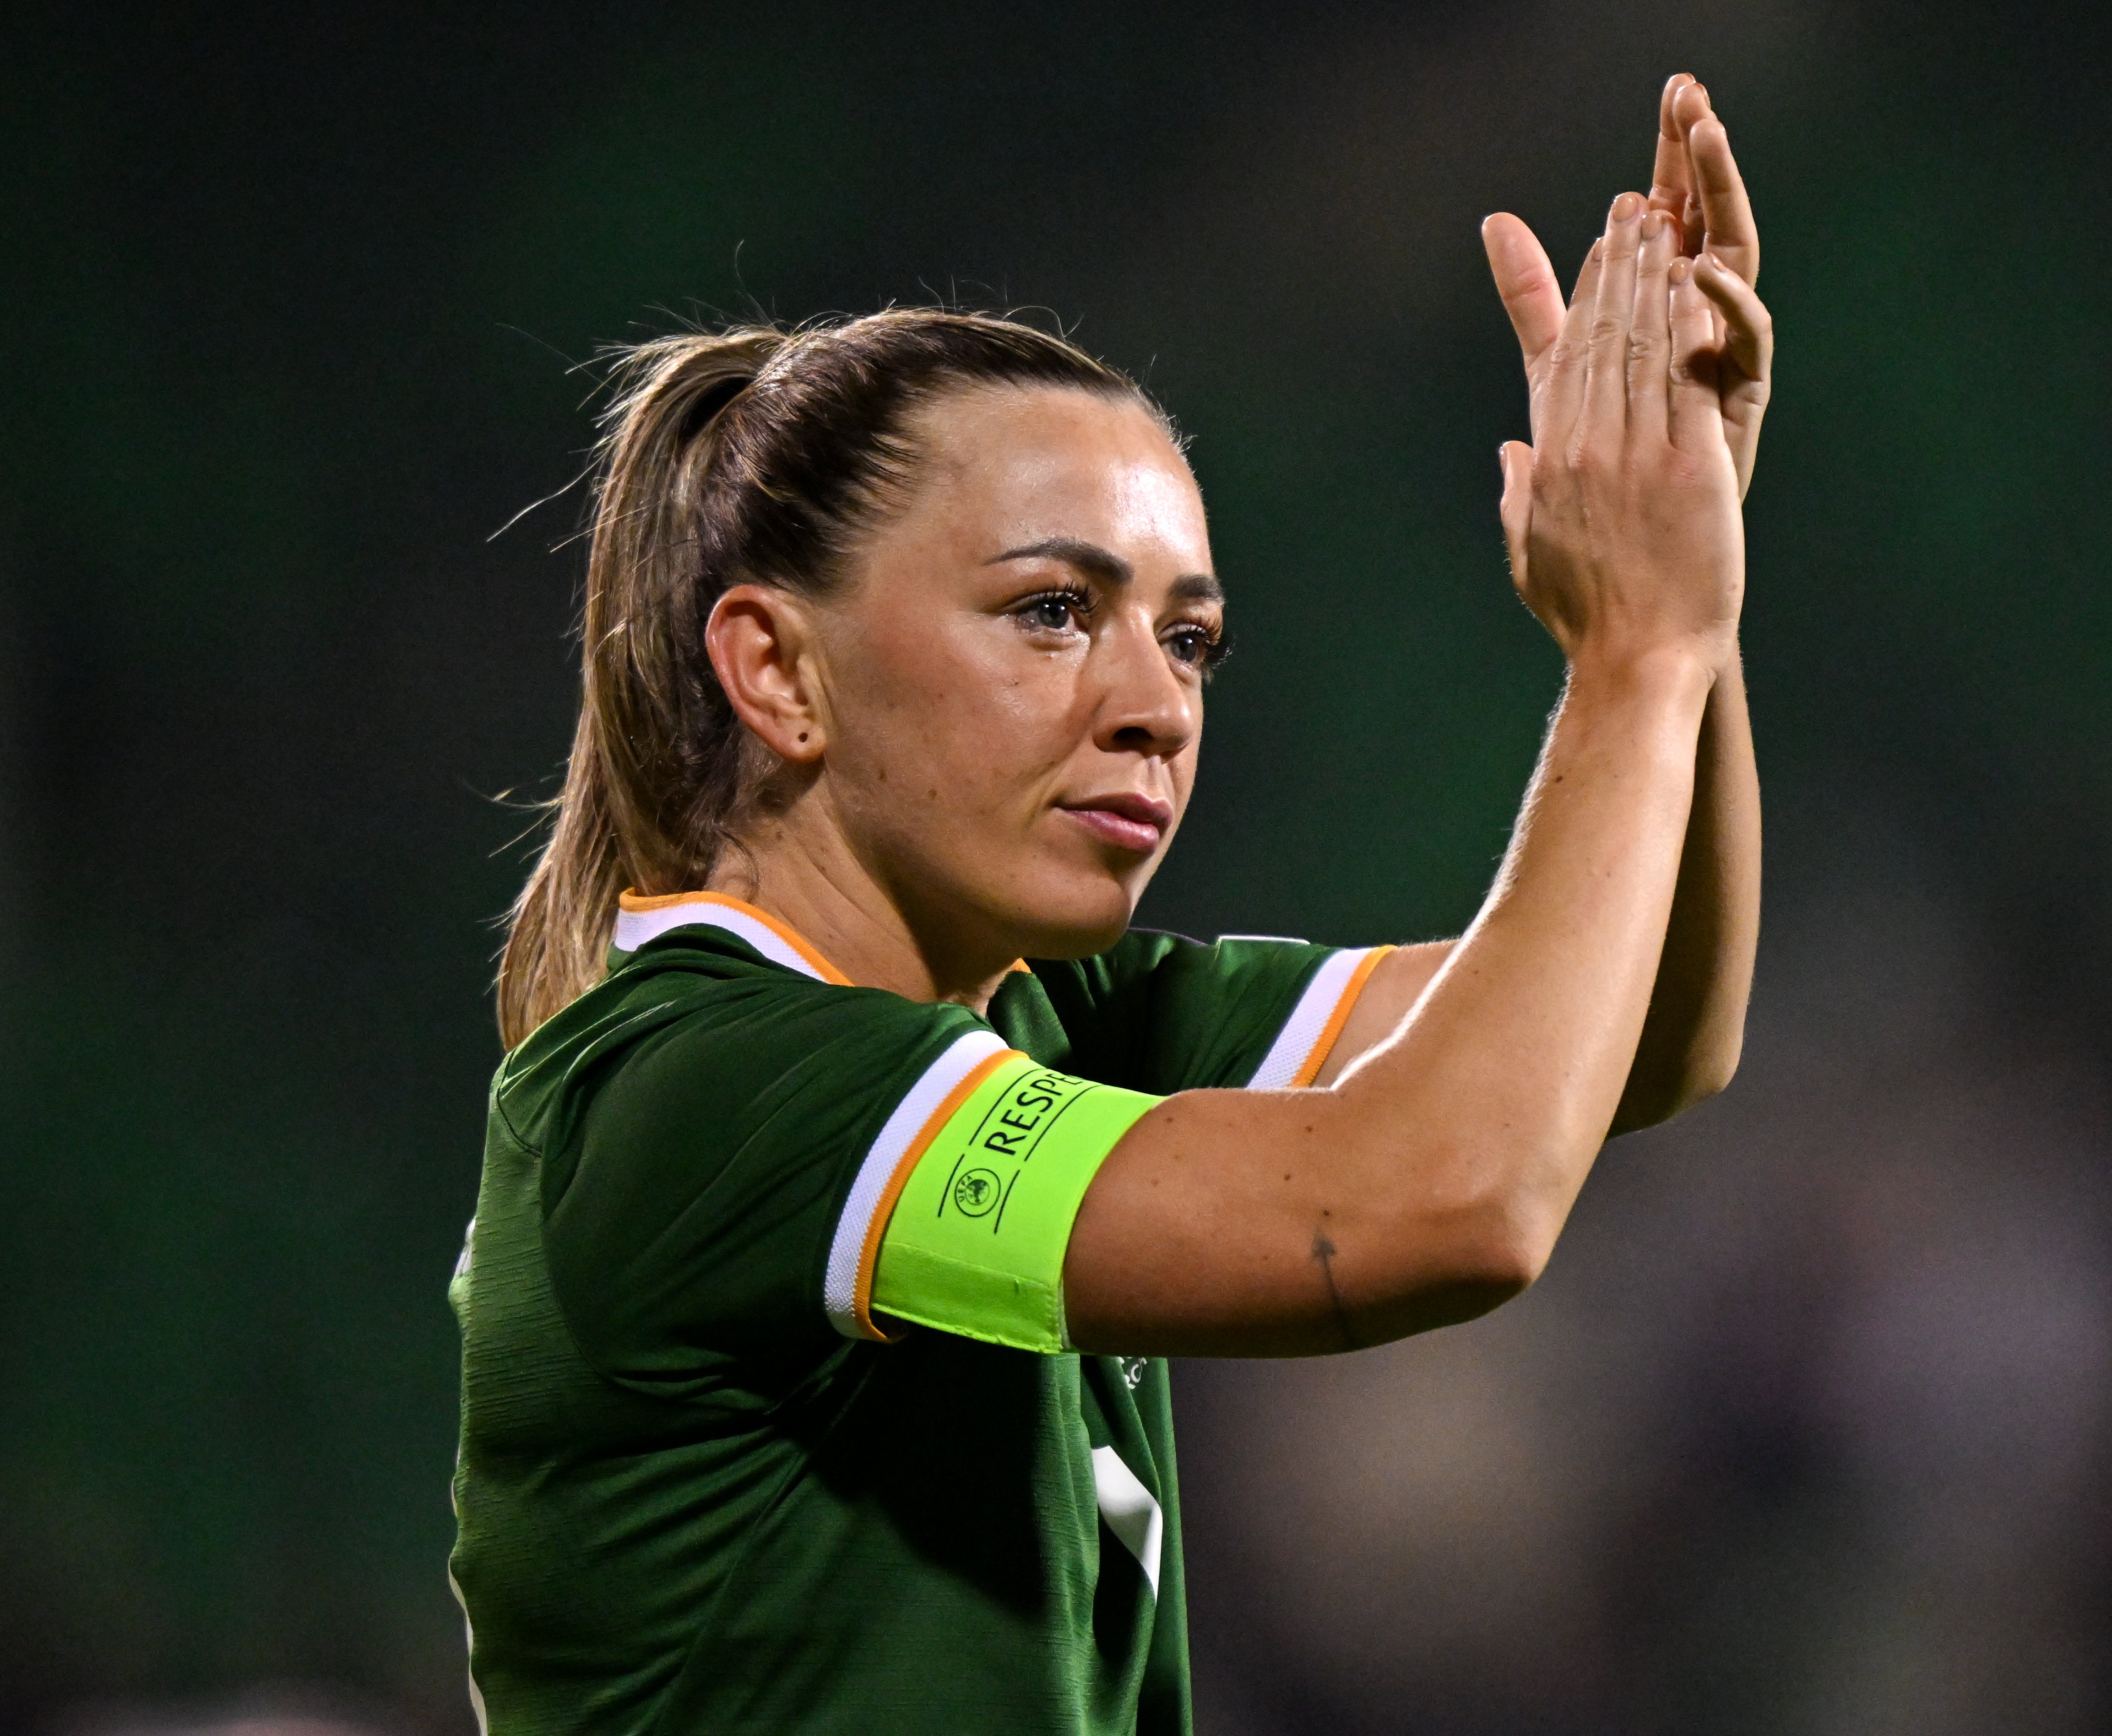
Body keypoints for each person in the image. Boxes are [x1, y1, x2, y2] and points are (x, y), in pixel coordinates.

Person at [448, 71, 1771, 1736]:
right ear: (779, 670)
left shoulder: (1062, 1022)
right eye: (1056, 610)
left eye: (1191, 636)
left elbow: (1642, 1030)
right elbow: (1445, 1206)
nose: (1158, 702)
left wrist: (1691, 605)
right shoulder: (704, 1091)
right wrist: (1632, 652)